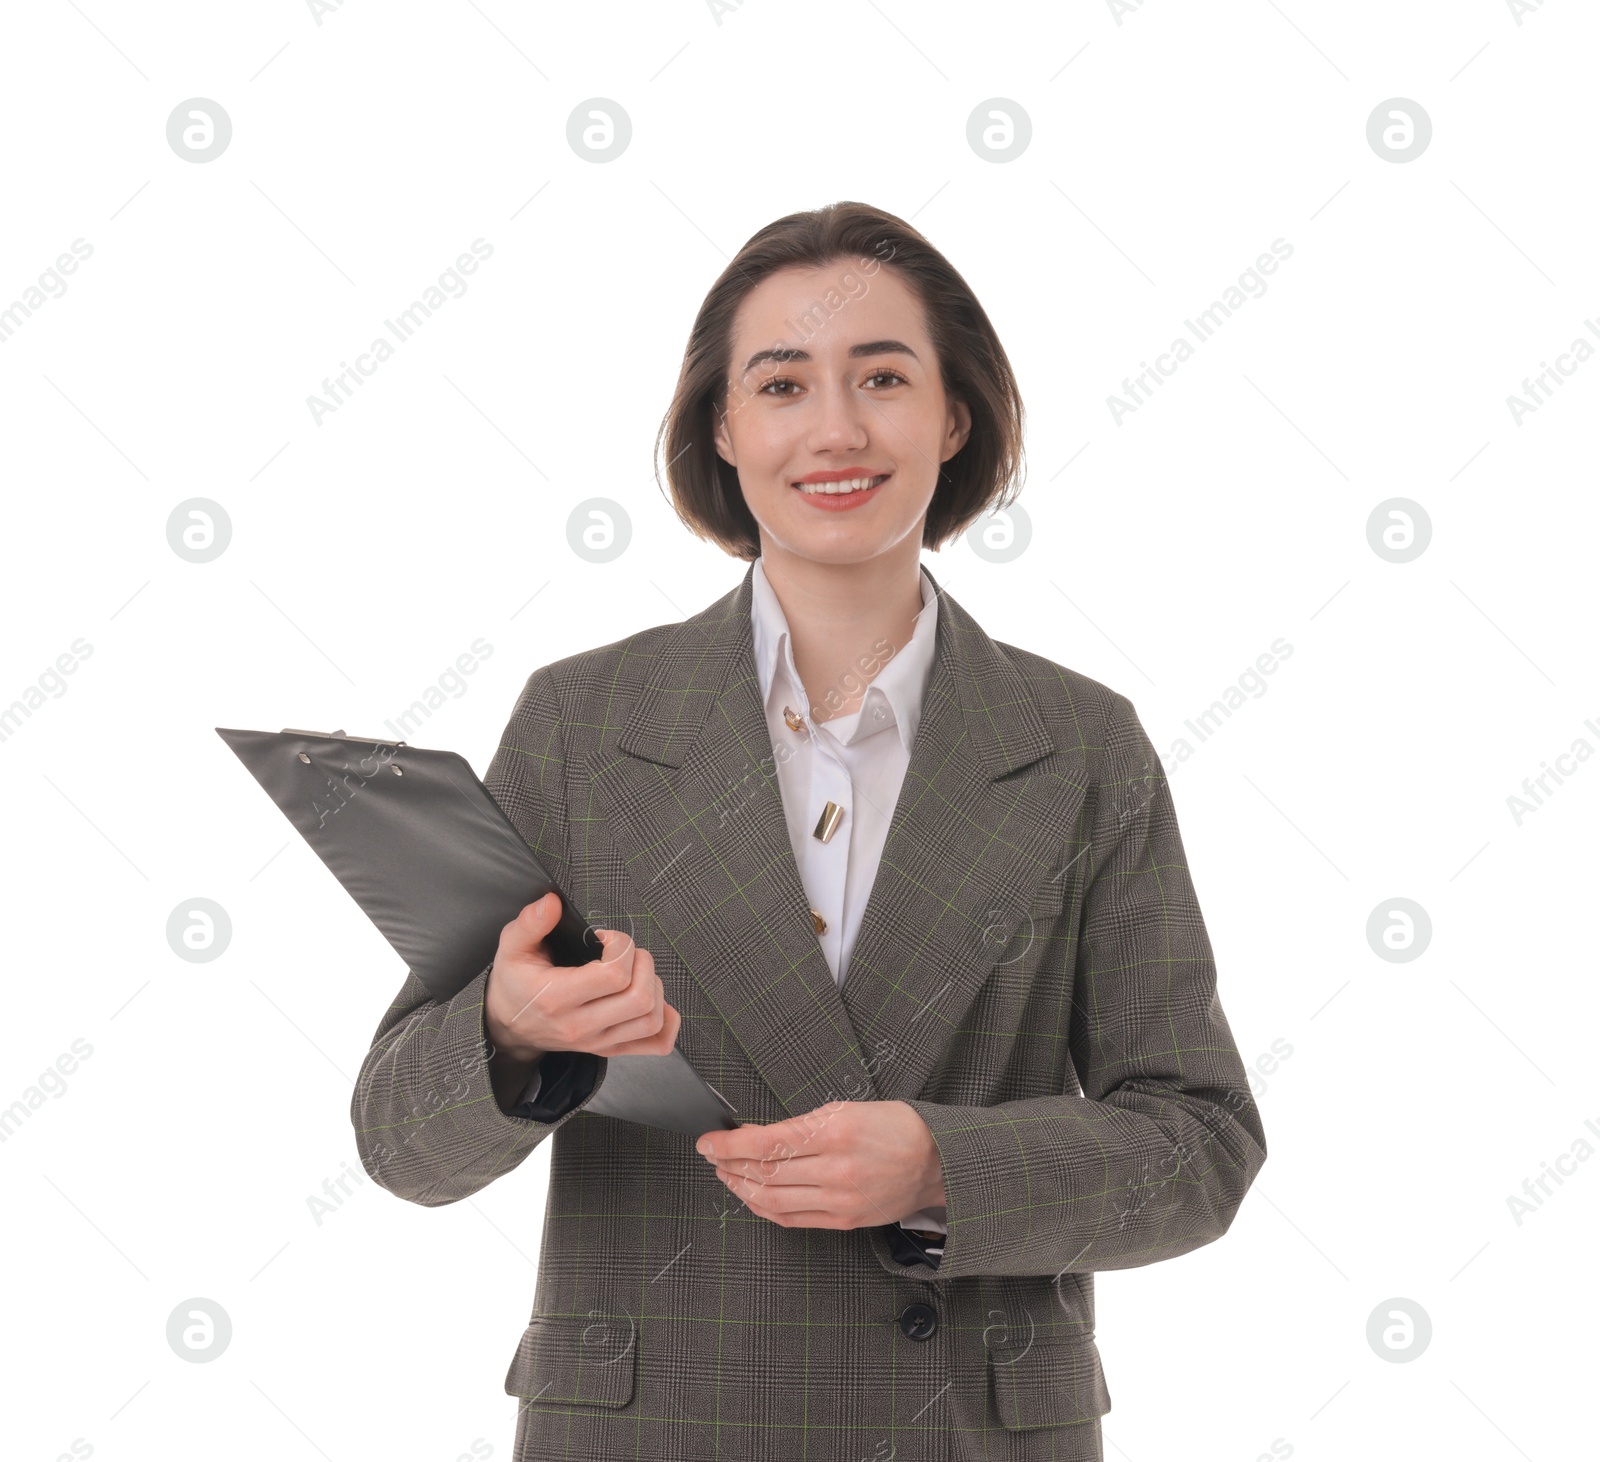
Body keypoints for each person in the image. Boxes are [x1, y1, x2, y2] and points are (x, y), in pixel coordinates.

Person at [350, 199, 1267, 1462]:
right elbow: (400, 1143)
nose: (835, 429)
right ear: (723, 428)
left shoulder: (1078, 744)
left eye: (881, 377)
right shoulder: (582, 722)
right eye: (782, 383)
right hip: (651, 1424)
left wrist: (946, 1166)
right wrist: (511, 1033)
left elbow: (1200, 1142)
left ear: (953, 414)